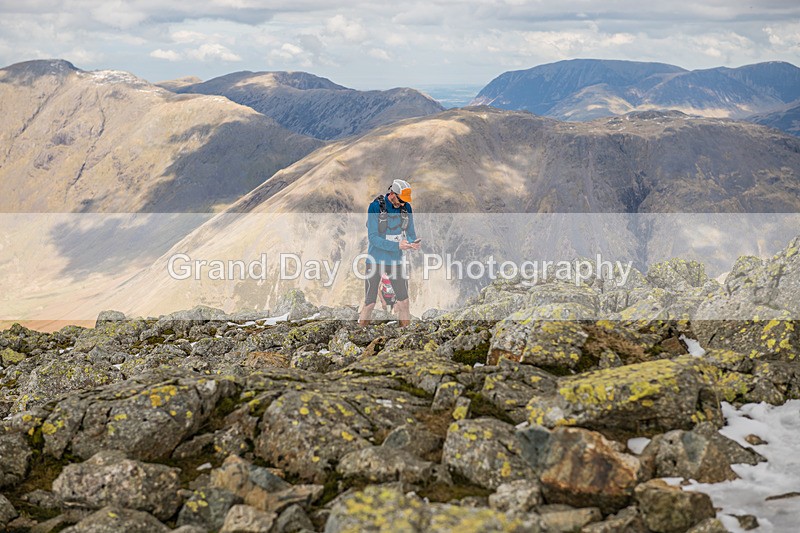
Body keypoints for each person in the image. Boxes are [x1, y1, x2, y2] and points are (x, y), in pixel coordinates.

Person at [358, 179, 420, 327]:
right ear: (392, 193)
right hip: (375, 260)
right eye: (401, 200)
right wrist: (398, 245)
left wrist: (413, 242)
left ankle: (406, 337)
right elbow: (373, 239)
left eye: (405, 201)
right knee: (370, 303)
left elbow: (410, 232)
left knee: (404, 302)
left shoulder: (406, 208)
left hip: (396, 261)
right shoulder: (375, 207)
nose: (403, 204)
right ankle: (358, 332)